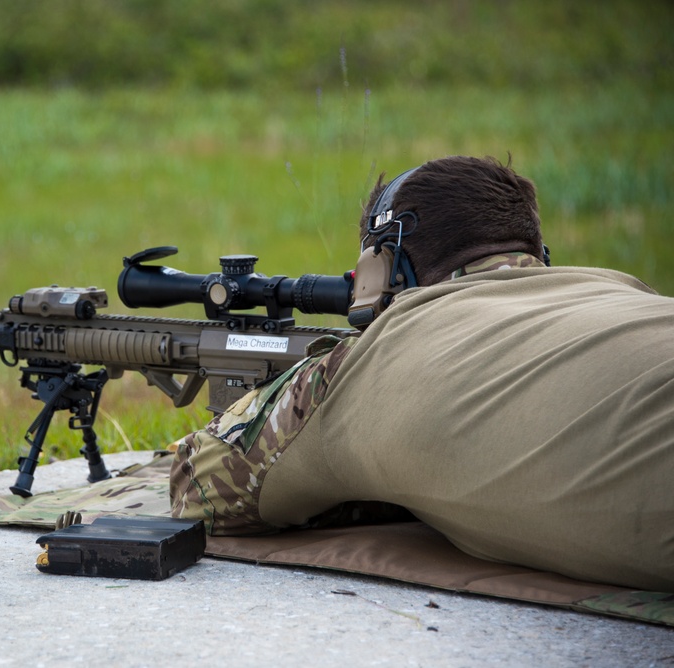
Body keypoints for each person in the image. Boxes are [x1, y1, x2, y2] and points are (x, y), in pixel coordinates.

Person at [168, 155, 674, 592]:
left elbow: (200, 488)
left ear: (379, 274)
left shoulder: (367, 364)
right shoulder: (633, 294)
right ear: (537, 254)